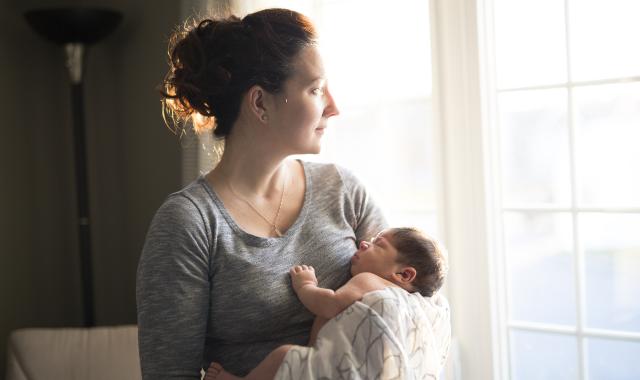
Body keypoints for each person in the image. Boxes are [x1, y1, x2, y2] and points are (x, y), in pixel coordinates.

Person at [136, 8, 388, 379]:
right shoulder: (190, 225)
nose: (334, 107)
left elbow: (407, 301)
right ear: (259, 103)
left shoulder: (343, 190)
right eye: (316, 89)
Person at [204, 227, 450, 380]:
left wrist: (306, 286)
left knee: (284, 355)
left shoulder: (371, 281)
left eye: (378, 244)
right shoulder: (416, 306)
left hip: (340, 369)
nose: (364, 242)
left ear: (404, 275)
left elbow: (330, 305)